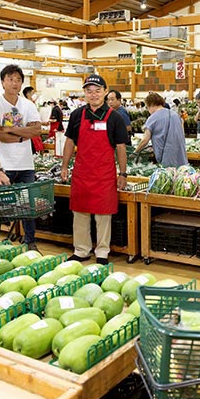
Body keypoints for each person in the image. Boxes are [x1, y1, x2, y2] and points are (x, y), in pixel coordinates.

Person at [60, 74, 128, 265]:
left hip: (104, 174)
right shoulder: (77, 115)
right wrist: (64, 166)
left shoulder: (114, 117)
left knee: (103, 214)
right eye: (89, 91)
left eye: (97, 90)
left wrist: (123, 173)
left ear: (105, 92)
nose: (93, 94)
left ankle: (102, 251)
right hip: (81, 173)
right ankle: (81, 250)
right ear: (84, 94)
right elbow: (69, 142)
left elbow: (121, 147)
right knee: (80, 213)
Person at [0, 65, 42, 251]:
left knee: (28, 206)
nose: (14, 83)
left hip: (26, 164)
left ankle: (30, 242)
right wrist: (20, 135)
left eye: (18, 80)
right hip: (2, 164)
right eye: (10, 79)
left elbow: (36, 130)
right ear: (2, 82)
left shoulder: (28, 105)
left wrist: (8, 128)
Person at [135, 92, 187, 167]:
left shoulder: (152, 118)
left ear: (150, 105)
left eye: (147, 107)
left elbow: (145, 140)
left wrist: (135, 151)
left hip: (167, 157)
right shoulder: (175, 115)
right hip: (181, 155)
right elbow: (182, 132)